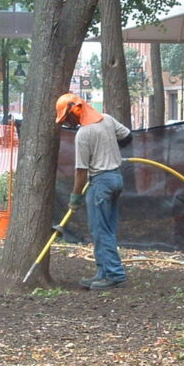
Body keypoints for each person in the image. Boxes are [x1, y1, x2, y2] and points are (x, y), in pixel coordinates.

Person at [55, 93, 133, 290]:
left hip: (100, 184)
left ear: (75, 110)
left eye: (67, 117)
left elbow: (81, 171)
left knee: (100, 230)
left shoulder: (83, 134)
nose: (68, 122)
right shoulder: (107, 119)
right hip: (116, 179)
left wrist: (75, 197)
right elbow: (127, 136)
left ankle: (115, 275)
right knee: (106, 228)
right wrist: (109, 150)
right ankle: (103, 273)